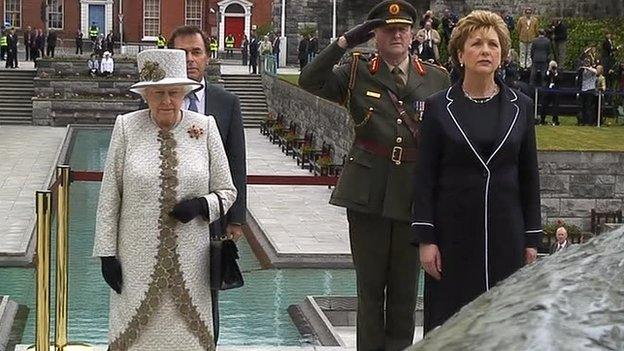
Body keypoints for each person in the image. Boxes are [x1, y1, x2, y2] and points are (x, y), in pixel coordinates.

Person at [299, 1, 450, 349]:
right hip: (367, 194)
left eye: (402, 28)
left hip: (413, 194)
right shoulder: (356, 70)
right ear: (374, 35)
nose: (396, 33)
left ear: (413, 33)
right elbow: (309, 79)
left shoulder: (436, 78)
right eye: (387, 28)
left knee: (404, 294)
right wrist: (343, 43)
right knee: (370, 292)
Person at [93, 48, 237, 351]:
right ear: (146, 95)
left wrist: (202, 206)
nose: (167, 101)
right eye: (158, 93)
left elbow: (228, 192)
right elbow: (110, 196)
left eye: (173, 92)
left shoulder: (205, 127)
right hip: (135, 263)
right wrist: (107, 255)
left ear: (185, 92)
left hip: (191, 263)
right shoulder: (126, 127)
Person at [411, 10, 542, 334]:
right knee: (452, 327)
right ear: (460, 53)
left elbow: (529, 175)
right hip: (453, 237)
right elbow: (425, 178)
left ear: (503, 55)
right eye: (477, 43)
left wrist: (532, 238)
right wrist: (426, 239)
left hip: (506, 236)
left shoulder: (521, 106)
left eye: (493, 45)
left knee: (504, 327)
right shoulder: (439, 108)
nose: (486, 50)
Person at [168, 25, 247, 343]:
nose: (189, 59)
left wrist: (237, 218)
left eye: (196, 52)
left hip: (210, 215)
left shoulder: (226, 102)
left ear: (208, 57)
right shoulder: (157, 100)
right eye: (181, 53)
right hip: (168, 215)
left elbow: (236, 161)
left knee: (205, 296)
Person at [577, 58, 597, 126]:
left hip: (590, 89)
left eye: (588, 62)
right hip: (583, 89)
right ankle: (582, 121)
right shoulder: (582, 70)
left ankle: (589, 122)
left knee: (589, 106)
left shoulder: (592, 69)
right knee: (582, 106)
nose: (586, 63)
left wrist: (588, 68)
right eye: (585, 62)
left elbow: (596, 72)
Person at [541, 60, 561, 126]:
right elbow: (544, 77)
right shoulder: (546, 71)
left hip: (555, 90)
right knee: (544, 105)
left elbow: (560, 79)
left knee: (555, 106)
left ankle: (555, 120)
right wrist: (549, 71)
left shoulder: (559, 72)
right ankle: (542, 120)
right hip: (547, 90)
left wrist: (555, 73)